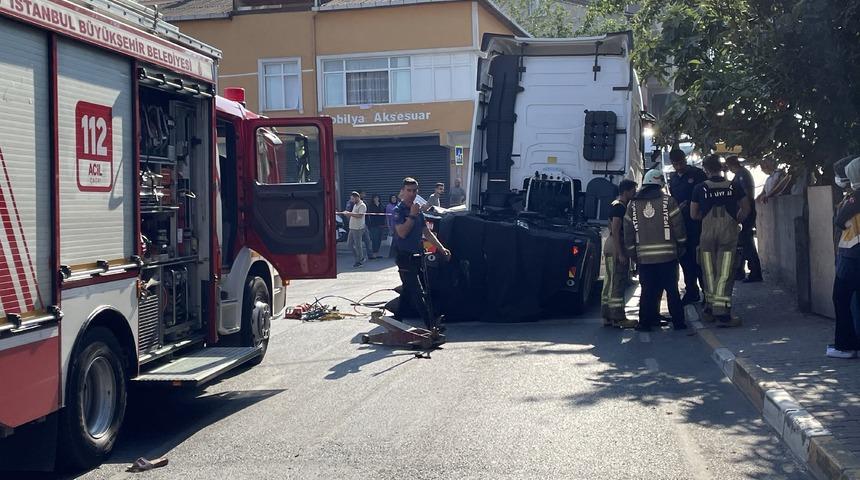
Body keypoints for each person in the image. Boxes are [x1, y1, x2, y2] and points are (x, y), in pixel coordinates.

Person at [623, 169, 688, 331]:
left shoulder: (633, 204)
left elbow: (628, 231)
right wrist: (682, 244)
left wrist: (633, 253)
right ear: (660, 184)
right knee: (672, 291)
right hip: (668, 257)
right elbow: (678, 226)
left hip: (644, 259)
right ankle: (679, 323)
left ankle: (645, 323)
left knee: (647, 291)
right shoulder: (669, 201)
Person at [691, 154, 751, 327]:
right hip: (728, 232)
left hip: (707, 234)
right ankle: (723, 314)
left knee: (709, 271)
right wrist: (736, 220)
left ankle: (709, 309)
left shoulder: (699, 188)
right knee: (725, 272)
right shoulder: (734, 186)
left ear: (706, 169)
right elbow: (746, 208)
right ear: (721, 168)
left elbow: (694, 215)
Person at [394, 177, 451, 330]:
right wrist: (412, 215)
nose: (412, 194)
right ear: (403, 191)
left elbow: (427, 232)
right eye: (409, 190)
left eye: (414, 190)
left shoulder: (418, 211)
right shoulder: (398, 211)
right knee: (418, 291)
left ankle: (397, 318)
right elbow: (402, 233)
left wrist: (441, 248)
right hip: (404, 256)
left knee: (408, 290)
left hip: (418, 256)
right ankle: (431, 325)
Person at [828, 157, 860, 358]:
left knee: (840, 298)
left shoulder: (854, 198)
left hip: (852, 254)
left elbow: (839, 220)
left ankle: (845, 346)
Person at [668, 148, 708, 303]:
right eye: (676, 164)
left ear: (685, 160)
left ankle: (707, 292)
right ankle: (691, 291)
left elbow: (705, 198)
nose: (679, 166)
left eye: (681, 163)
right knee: (685, 260)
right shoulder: (673, 179)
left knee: (700, 260)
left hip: (697, 224)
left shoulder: (697, 174)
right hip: (681, 224)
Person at [601, 179, 638, 329]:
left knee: (609, 283)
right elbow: (616, 231)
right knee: (618, 282)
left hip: (610, 246)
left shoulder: (614, 205)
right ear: (626, 191)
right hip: (616, 247)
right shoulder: (620, 208)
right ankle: (618, 317)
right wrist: (621, 253)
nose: (634, 193)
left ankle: (607, 316)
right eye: (633, 190)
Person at [725, 155, 763, 282]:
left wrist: (742, 212)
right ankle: (740, 271)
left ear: (731, 165)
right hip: (744, 210)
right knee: (741, 242)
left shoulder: (742, 175)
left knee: (747, 243)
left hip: (746, 211)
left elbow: (747, 196)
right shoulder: (740, 174)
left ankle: (755, 272)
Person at [341, 191, 366, 268]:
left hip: (358, 228)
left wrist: (349, 213)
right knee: (349, 244)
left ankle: (360, 261)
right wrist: (348, 214)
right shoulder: (355, 205)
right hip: (352, 227)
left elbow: (359, 216)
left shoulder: (362, 205)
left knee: (358, 245)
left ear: (356, 197)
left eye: (352, 198)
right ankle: (359, 258)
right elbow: (353, 215)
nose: (351, 200)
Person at [366, 194, 386, 259]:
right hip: (373, 225)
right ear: (373, 199)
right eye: (375, 198)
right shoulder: (370, 206)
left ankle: (377, 253)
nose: (376, 199)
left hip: (381, 224)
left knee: (379, 239)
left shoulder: (381, 205)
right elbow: (369, 215)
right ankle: (374, 253)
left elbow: (384, 214)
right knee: (375, 239)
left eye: (377, 198)